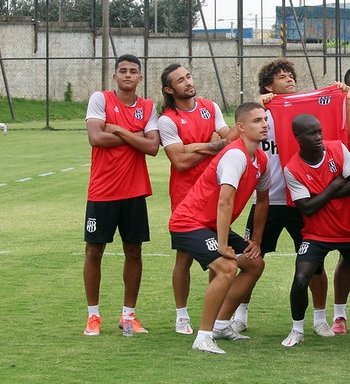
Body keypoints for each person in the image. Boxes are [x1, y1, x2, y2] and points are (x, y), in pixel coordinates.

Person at [240, 58, 349, 337]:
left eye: (291, 75)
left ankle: (320, 318)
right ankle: (240, 314)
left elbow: (341, 125)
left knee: (314, 264)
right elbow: (234, 137)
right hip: (268, 200)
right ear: (268, 85)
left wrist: (342, 95)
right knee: (251, 258)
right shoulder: (261, 115)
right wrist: (258, 104)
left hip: (303, 200)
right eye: (281, 77)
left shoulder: (308, 113)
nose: (289, 80)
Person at [169, 102, 270, 354]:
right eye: (257, 120)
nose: (264, 124)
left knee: (254, 263)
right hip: (188, 223)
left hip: (210, 224)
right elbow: (225, 201)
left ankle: (222, 324)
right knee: (227, 266)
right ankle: (203, 337)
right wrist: (223, 245)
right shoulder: (235, 155)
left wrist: (255, 241)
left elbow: (263, 200)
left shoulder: (262, 158)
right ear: (241, 127)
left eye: (265, 119)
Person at [82, 54, 160, 336]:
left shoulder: (148, 106)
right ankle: (93, 316)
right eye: (123, 71)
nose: (128, 75)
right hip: (102, 191)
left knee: (134, 251)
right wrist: (134, 135)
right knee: (94, 251)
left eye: (134, 71)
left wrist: (117, 129)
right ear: (114, 76)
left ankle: (128, 316)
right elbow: (96, 138)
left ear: (140, 78)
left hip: (134, 191)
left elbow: (153, 147)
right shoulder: (100, 99)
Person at [280, 114, 350, 346]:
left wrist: (322, 195)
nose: (319, 137)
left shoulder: (338, 149)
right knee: (301, 278)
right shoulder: (292, 169)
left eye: (320, 131)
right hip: (316, 234)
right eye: (312, 134)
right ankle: (297, 330)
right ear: (297, 137)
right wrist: (333, 186)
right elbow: (307, 208)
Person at [158, 63, 236, 335]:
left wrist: (196, 147)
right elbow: (179, 161)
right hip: (185, 198)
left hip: (213, 193)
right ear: (170, 89)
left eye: (189, 76)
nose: (188, 82)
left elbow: (232, 139)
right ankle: (182, 316)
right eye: (180, 80)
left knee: (220, 251)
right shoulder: (167, 119)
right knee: (184, 258)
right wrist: (213, 145)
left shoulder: (210, 107)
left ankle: (214, 317)